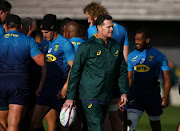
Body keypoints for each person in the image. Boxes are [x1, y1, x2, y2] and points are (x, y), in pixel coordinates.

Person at [62, 14, 129, 131]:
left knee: (94, 127)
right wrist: (70, 97)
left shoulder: (116, 47)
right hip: (90, 96)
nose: (112, 29)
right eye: (108, 27)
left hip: (106, 96)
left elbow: (122, 71)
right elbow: (75, 72)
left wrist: (123, 92)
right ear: (99, 27)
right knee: (96, 127)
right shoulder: (87, 46)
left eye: (112, 26)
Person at [83, 2, 129, 130]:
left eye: (88, 17)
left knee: (104, 115)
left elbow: (89, 55)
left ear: (93, 15)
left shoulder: (93, 30)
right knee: (114, 114)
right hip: (117, 77)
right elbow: (124, 60)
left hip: (100, 79)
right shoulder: (122, 29)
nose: (88, 21)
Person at [0, 14, 44, 131]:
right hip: (19, 83)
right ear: (20, 26)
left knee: (1, 121)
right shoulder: (28, 40)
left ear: (5, 27)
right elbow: (42, 62)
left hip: (1, 82)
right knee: (13, 124)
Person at [32, 14, 75, 131]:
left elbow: (74, 67)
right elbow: (46, 66)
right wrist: (41, 85)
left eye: (46, 32)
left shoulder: (65, 44)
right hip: (47, 89)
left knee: (63, 126)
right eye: (42, 33)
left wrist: (66, 86)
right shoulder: (46, 43)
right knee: (35, 121)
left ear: (53, 30)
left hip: (60, 90)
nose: (44, 35)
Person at [127, 28, 171, 131]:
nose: (136, 42)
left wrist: (165, 96)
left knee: (156, 127)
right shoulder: (131, 55)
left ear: (147, 40)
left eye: (139, 39)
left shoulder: (159, 56)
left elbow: (167, 78)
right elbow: (129, 77)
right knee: (130, 124)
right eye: (135, 39)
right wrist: (124, 94)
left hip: (153, 95)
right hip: (135, 96)